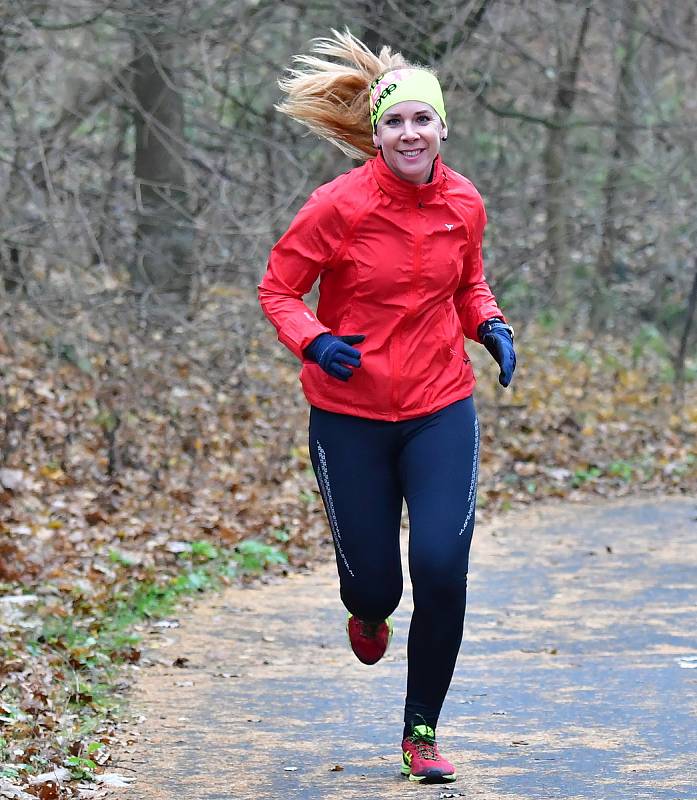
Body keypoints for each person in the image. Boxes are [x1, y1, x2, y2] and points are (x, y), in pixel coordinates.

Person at [258, 29, 516, 784]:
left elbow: (468, 284)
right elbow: (278, 289)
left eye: (421, 120)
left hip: (440, 405)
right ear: (376, 134)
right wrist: (313, 341)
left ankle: (421, 732)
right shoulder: (336, 206)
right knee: (377, 585)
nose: (410, 132)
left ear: (442, 127)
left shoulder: (463, 202)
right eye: (395, 122)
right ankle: (366, 611)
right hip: (348, 415)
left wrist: (490, 325)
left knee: (441, 565)